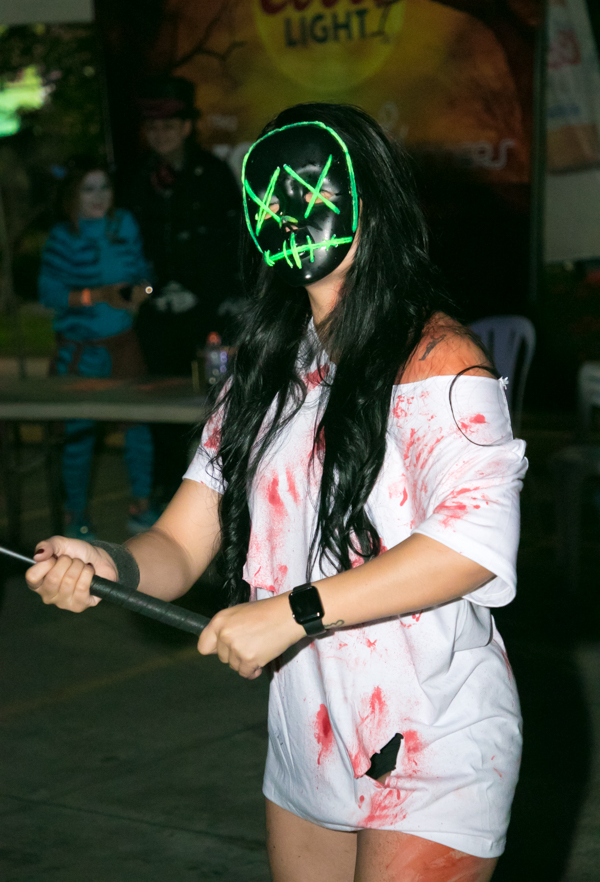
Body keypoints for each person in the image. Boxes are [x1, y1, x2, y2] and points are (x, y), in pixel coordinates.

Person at [27, 104, 527, 882]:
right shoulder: (262, 374)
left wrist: (292, 613)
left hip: (434, 736)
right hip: (309, 738)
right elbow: (179, 544)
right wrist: (105, 564)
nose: (287, 210)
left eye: (309, 187)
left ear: (370, 198)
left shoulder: (437, 359)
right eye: (267, 193)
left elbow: (470, 545)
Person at [125, 75, 243, 501]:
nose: (160, 135)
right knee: (160, 399)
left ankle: (225, 492)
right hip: (159, 310)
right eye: (153, 127)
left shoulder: (212, 173)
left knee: (218, 398)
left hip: (209, 312)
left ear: (187, 127)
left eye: (169, 126)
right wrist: (150, 290)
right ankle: (168, 493)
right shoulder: (138, 177)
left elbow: (231, 244)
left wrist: (207, 294)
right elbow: (131, 243)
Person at [39, 158, 157, 539]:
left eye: (104, 187)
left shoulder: (124, 223)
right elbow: (50, 293)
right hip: (81, 351)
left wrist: (143, 292)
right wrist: (98, 295)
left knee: (139, 429)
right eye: (88, 188)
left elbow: (144, 274)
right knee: (78, 436)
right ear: (72, 193)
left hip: (123, 345)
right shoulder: (63, 236)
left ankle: (140, 507)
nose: (98, 196)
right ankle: (75, 516)